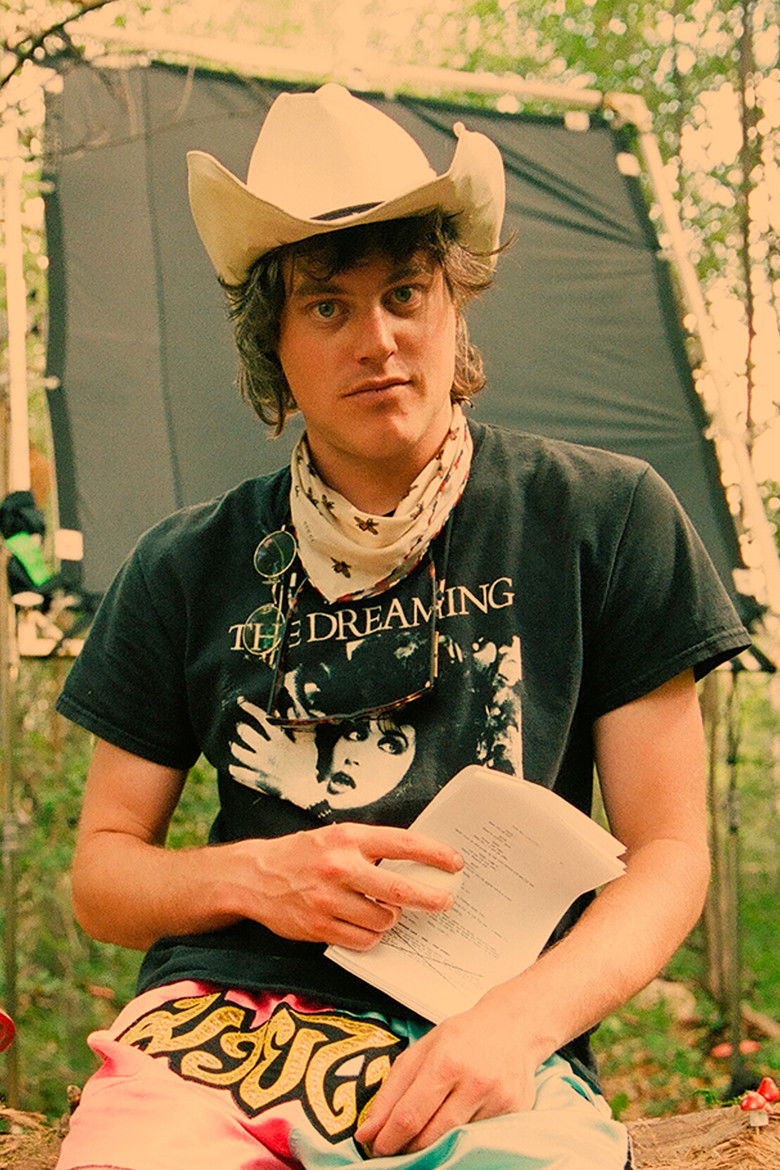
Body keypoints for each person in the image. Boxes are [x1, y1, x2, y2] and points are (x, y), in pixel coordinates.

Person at [54, 83, 750, 1170]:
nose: (378, 340)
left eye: (406, 293)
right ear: (273, 343)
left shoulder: (604, 517)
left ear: (454, 305)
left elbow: (668, 854)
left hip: (487, 1033)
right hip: (220, 1031)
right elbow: (103, 877)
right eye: (328, 307)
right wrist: (261, 877)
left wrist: (517, 1027)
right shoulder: (182, 563)